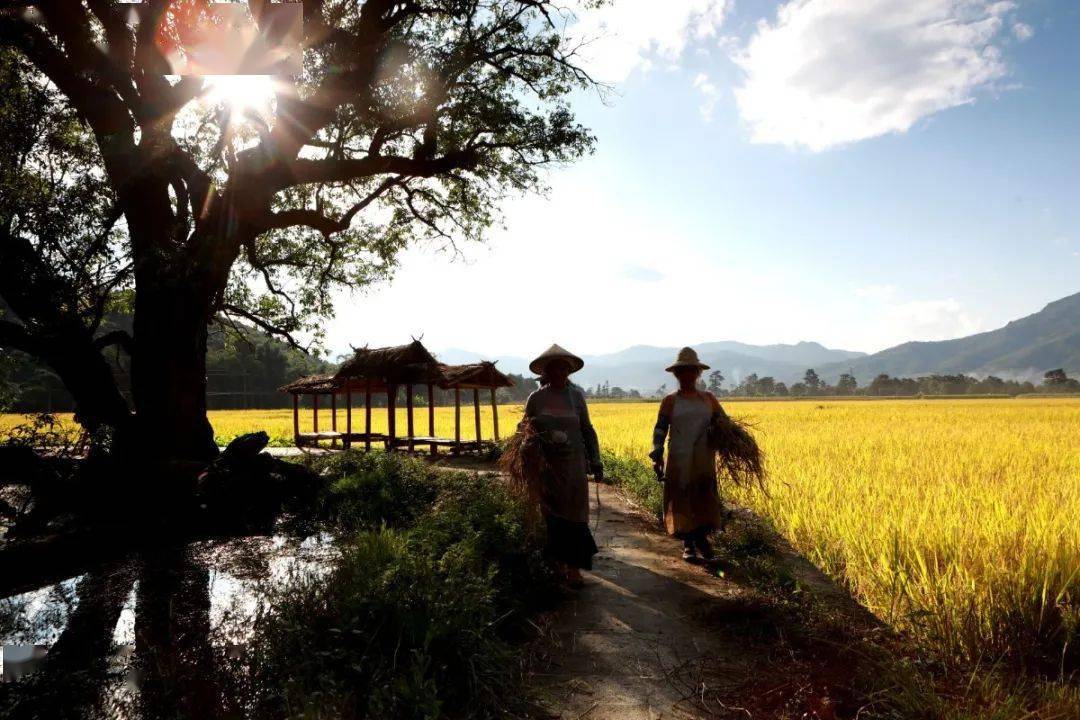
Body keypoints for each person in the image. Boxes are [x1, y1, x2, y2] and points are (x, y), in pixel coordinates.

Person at [524, 343, 603, 587]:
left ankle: (574, 569)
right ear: (546, 371)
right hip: (549, 468)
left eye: (564, 368)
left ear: (569, 371)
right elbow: (525, 431)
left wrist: (597, 461)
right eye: (555, 368)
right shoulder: (536, 399)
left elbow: (587, 430)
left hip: (576, 466)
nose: (561, 372)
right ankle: (557, 566)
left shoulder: (577, 397)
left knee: (577, 517)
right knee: (553, 517)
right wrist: (529, 454)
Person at [649, 347, 724, 561]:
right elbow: (660, 428)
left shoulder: (709, 399)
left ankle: (701, 539)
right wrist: (657, 450)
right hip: (679, 457)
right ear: (677, 375)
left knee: (703, 497)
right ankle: (689, 544)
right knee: (682, 498)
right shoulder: (670, 401)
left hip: (704, 458)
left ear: (698, 373)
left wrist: (733, 441)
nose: (687, 376)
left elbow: (723, 424)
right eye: (683, 372)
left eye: (692, 371)